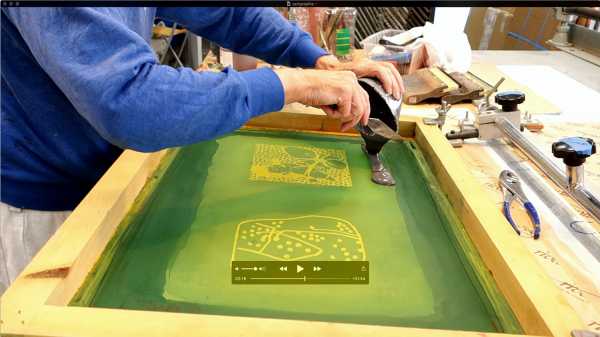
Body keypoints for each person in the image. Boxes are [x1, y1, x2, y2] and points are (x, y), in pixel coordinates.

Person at [0, 7, 403, 294]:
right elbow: (130, 103)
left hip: (120, 173)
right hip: (52, 206)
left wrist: (318, 61)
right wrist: (291, 85)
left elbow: (230, 13)